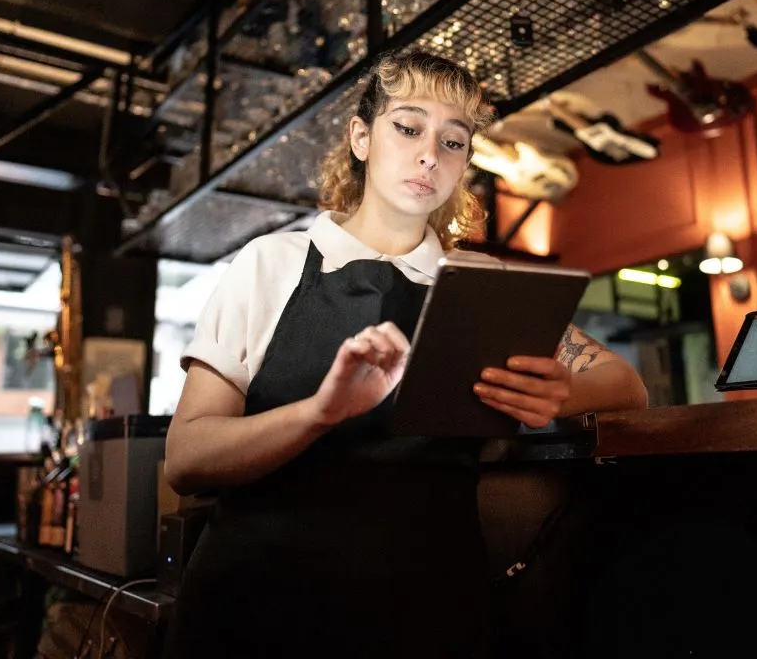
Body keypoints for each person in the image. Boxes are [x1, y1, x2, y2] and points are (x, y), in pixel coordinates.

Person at [162, 49, 648, 658]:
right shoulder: (272, 263)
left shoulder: (478, 279)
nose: (430, 155)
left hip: (428, 609)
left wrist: (558, 392)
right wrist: (318, 413)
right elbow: (186, 456)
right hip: (258, 605)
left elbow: (626, 385)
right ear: (361, 138)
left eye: (454, 141)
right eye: (408, 127)